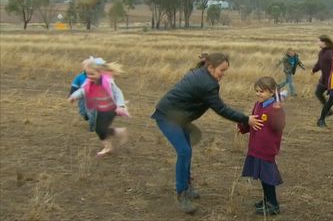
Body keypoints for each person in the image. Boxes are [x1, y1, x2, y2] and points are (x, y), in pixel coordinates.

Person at [151, 53, 263, 214]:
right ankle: (181, 194)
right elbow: (221, 109)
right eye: (221, 70)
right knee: (184, 151)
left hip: (179, 117)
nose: (223, 74)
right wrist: (246, 119)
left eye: (225, 70)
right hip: (167, 116)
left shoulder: (203, 73)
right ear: (210, 67)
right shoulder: (207, 84)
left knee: (186, 150)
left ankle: (187, 186)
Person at [238, 76, 285, 216]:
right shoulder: (258, 105)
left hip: (266, 149)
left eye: (262, 92)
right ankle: (266, 199)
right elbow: (253, 121)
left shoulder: (275, 108)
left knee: (267, 177)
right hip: (255, 147)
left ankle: (273, 205)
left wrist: (277, 112)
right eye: (257, 91)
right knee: (262, 176)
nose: (258, 94)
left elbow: (279, 126)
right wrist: (242, 127)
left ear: (271, 92)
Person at [68, 57, 129, 157]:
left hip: (112, 108)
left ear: (100, 72)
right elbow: (83, 91)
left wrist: (121, 105)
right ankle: (116, 136)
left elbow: (118, 93)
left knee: (100, 128)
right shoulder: (89, 83)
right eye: (87, 74)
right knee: (99, 129)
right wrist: (74, 96)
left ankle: (110, 144)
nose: (89, 76)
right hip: (101, 109)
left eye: (92, 74)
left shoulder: (107, 82)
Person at [312, 35, 333, 116]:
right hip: (324, 79)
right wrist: (314, 70)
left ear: (325, 43)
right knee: (318, 93)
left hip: (331, 79)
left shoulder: (331, 52)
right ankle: (329, 110)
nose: (318, 43)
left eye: (319, 41)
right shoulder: (321, 52)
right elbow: (319, 63)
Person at [69, 66, 94, 130]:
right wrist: (72, 95)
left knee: (92, 111)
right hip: (82, 96)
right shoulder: (80, 76)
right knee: (82, 110)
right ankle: (85, 115)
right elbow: (74, 86)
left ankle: (92, 124)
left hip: (93, 97)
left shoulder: (96, 76)